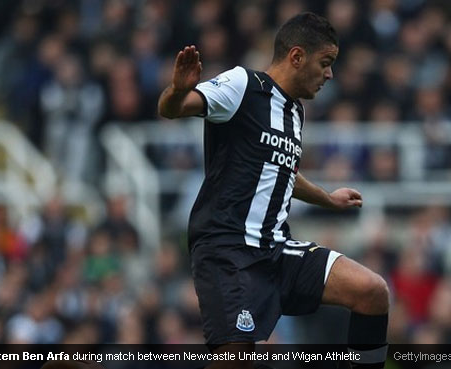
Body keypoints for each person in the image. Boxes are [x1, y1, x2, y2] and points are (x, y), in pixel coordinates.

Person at [158, 12, 389, 369]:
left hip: (276, 250)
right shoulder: (242, 85)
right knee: (235, 361)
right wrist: (177, 90)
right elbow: (172, 110)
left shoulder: (295, 111)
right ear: (297, 56)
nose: (330, 74)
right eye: (325, 63)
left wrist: (327, 198)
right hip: (229, 251)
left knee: (371, 291)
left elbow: (279, 172)